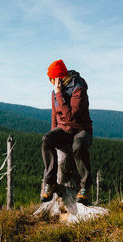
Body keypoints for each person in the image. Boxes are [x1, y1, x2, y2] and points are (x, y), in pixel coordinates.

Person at [40, 59, 93, 205]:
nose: (50, 82)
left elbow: (70, 117)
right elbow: (54, 115)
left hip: (82, 130)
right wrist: (54, 134)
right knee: (46, 140)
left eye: (51, 78)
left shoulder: (78, 89)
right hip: (64, 130)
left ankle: (85, 187)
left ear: (58, 78)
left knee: (78, 146)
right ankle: (50, 183)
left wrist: (58, 93)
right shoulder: (55, 91)